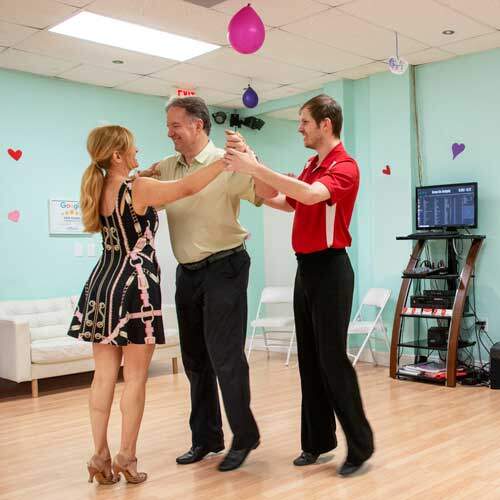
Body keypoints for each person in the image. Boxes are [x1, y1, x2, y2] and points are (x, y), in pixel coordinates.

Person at [223, 94, 374, 477]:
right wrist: (253, 166)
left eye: (304, 121)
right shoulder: (312, 164)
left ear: (326, 124)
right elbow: (285, 201)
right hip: (305, 270)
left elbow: (309, 195)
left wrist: (256, 166)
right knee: (309, 359)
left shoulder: (345, 167)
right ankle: (318, 443)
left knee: (332, 360)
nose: (300, 127)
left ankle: (360, 446)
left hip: (332, 270)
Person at [68, 124, 225, 485]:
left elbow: (134, 187)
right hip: (135, 285)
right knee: (135, 377)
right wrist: (223, 164)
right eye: (132, 147)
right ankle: (127, 455)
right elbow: (186, 186)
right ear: (117, 155)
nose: (139, 150)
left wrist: (146, 172)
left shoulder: (100, 186)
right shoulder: (137, 188)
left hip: (101, 284)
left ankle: (99, 455)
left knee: (103, 377)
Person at [140, 96, 276, 471]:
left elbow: (265, 194)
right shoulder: (167, 167)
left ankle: (244, 435)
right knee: (195, 360)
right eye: (168, 126)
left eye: (175, 126)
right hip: (188, 273)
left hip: (225, 267)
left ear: (198, 124)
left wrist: (253, 161)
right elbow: (140, 191)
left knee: (226, 357)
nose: (169, 133)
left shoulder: (231, 161)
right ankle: (206, 438)